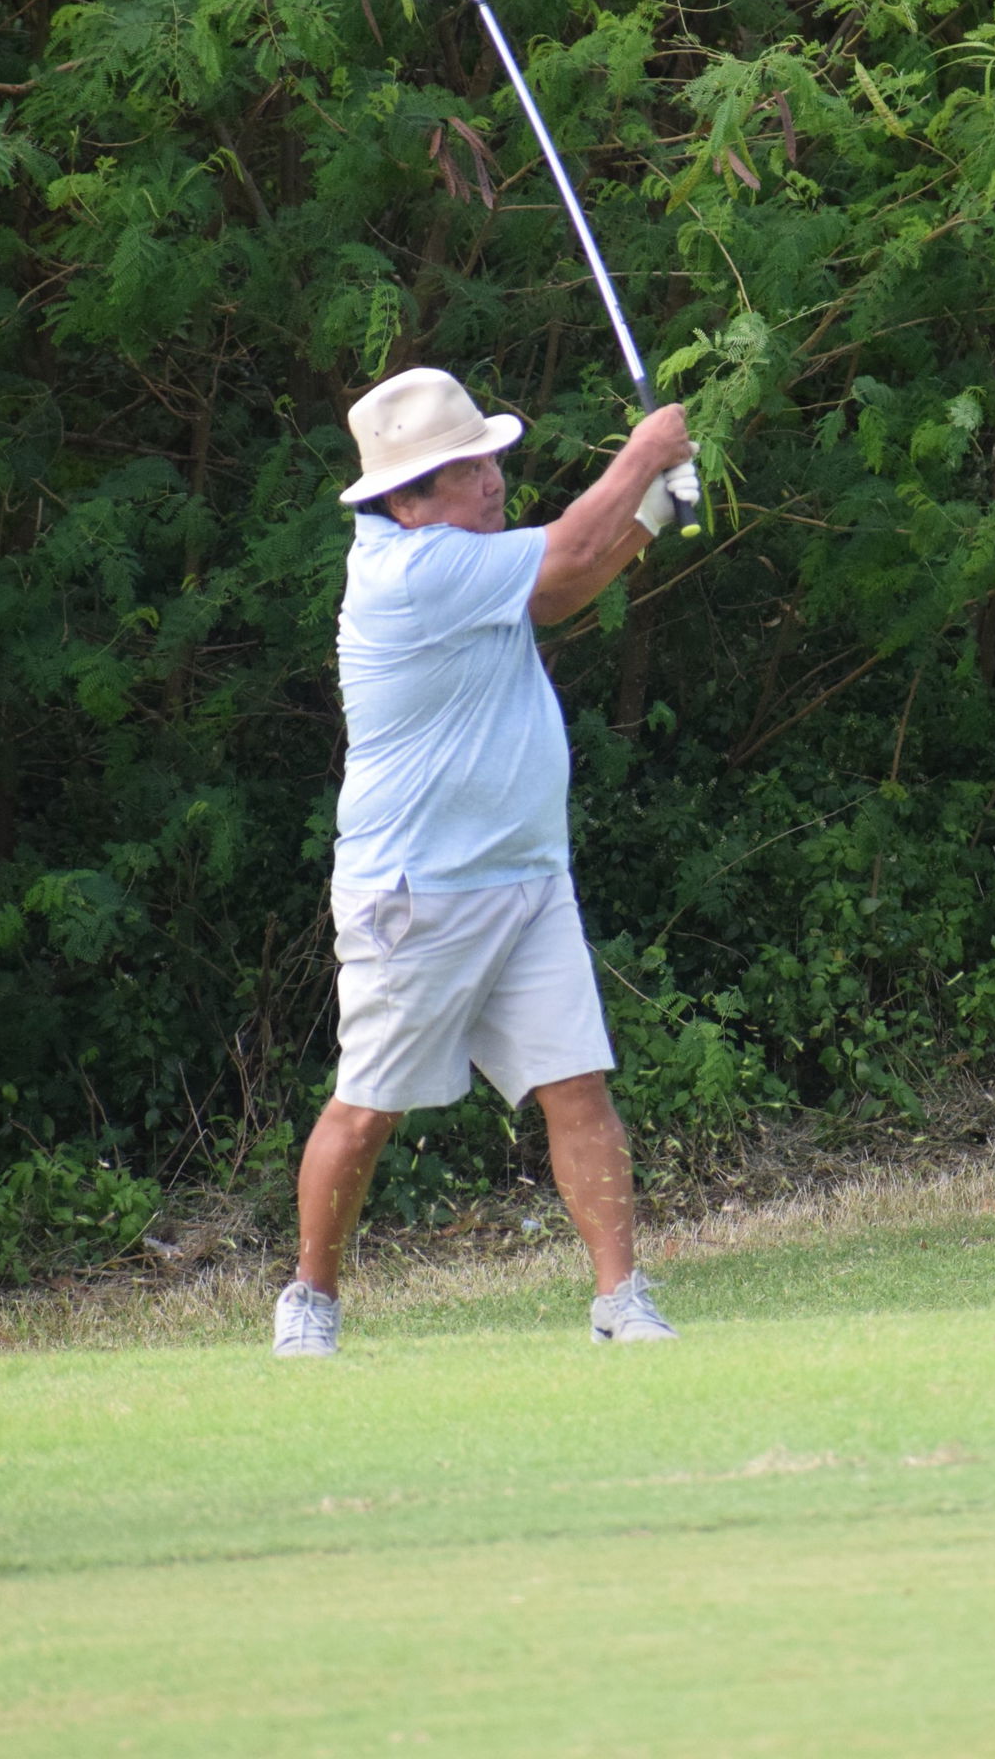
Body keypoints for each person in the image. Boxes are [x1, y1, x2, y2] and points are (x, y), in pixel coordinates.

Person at [273, 366, 698, 1358]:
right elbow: (568, 551)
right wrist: (646, 454)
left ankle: (621, 1299)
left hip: (527, 876)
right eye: (467, 470)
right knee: (367, 1108)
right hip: (413, 894)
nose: (493, 479)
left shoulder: (466, 558)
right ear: (406, 500)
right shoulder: (412, 572)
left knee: (577, 1085)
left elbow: (559, 591)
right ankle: (309, 1298)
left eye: (488, 460)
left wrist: (651, 510)